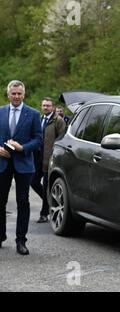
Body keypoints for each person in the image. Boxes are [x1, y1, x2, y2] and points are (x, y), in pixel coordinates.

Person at [0, 80, 42, 255]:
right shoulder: (0, 112)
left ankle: (21, 241)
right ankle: (0, 236)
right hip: (2, 164)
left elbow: (38, 139)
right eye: (13, 93)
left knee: (23, 203)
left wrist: (22, 148)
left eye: (19, 93)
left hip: (24, 164)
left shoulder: (33, 114)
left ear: (24, 94)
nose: (16, 96)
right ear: (8, 94)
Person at [30, 97, 66, 223]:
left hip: (50, 158)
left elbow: (62, 138)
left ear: (53, 107)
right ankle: (50, 202)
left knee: (46, 186)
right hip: (38, 157)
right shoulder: (40, 119)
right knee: (33, 181)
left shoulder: (58, 120)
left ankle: (44, 214)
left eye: (48, 105)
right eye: (44, 105)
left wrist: (54, 152)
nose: (45, 107)